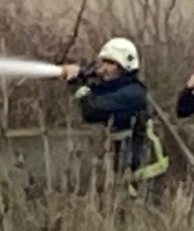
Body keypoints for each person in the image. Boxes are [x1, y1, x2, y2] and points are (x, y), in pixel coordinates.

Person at [60, 36, 170, 197]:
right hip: (130, 165)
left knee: (143, 213)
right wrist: (79, 76)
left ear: (124, 67)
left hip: (147, 168)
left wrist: (77, 83)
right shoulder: (118, 87)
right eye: (103, 62)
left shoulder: (132, 93)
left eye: (110, 63)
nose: (103, 68)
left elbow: (92, 110)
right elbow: (95, 90)